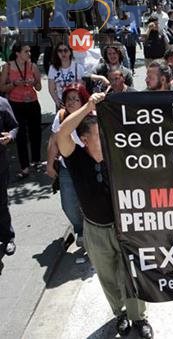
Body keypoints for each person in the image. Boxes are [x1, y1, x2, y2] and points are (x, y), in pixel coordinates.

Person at [56, 92, 154, 339]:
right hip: (96, 230)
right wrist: (88, 106)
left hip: (124, 228)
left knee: (130, 275)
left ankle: (138, 317)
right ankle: (119, 313)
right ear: (85, 138)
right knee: (108, 277)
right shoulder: (75, 158)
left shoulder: (118, 156)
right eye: (100, 133)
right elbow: (62, 134)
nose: (107, 137)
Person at [46, 84, 90, 256]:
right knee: (69, 205)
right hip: (67, 168)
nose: (71, 102)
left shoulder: (90, 116)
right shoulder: (61, 115)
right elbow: (53, 140)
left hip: (87, 168)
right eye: (69, 99)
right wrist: (50, 164)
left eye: (76, 99)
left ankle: (90, 233)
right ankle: (80, 229)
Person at [0, 43, 42, 179]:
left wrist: (34, 82)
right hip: (16, 105)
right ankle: (24, 167)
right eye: (26, 51)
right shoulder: (7, 66)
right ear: (17, 53)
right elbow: (2, 88)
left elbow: (39, 87)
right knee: (21, 136)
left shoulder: (33, 66)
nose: (29, 54)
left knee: (35, 133)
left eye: (29, 51)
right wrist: (14, 84)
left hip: (32, 103)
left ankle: (36, 160)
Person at [0, 96, 18, 256]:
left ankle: (8, 238)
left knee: (1, 203)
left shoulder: (2, 103)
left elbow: (14, 127)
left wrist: (10, 136)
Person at [46, 43, 86, 109]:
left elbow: (82, 87)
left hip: (75, 103)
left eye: (65, 50)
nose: (63, 53)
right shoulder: (53, 68)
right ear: (57, 53)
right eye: (60, 51)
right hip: (61, 103)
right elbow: (51, 89)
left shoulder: (77, 67)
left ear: (70, 52)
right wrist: (58, 102)